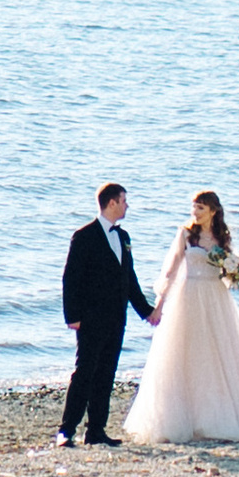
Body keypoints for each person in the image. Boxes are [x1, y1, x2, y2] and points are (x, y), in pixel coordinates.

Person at [125, 187, 239, 445]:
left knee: (218, 354)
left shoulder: (222, 237)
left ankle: (220, 416)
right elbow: (172, 270)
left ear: (213, 212)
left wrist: (234, 272)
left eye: (201, 208)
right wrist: (159, 306)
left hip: (216, 298)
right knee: (186, 353)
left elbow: (229, 268)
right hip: (189, 296)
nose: (195, 212)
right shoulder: (186, 234)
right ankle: (184, 418)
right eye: (193, 207)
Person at [55, 181, 153, 448]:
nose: (127, 205)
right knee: (85, 372)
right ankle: (66, 429)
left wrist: (146, 311)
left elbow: (129, 279)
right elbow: (70, 278)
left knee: (107, 373)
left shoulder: (123, 237)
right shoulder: (84, 236)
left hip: (116, 317)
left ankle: (96, 429)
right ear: (111, 203)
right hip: (90, 317)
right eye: (124, 200)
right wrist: (72, 316)